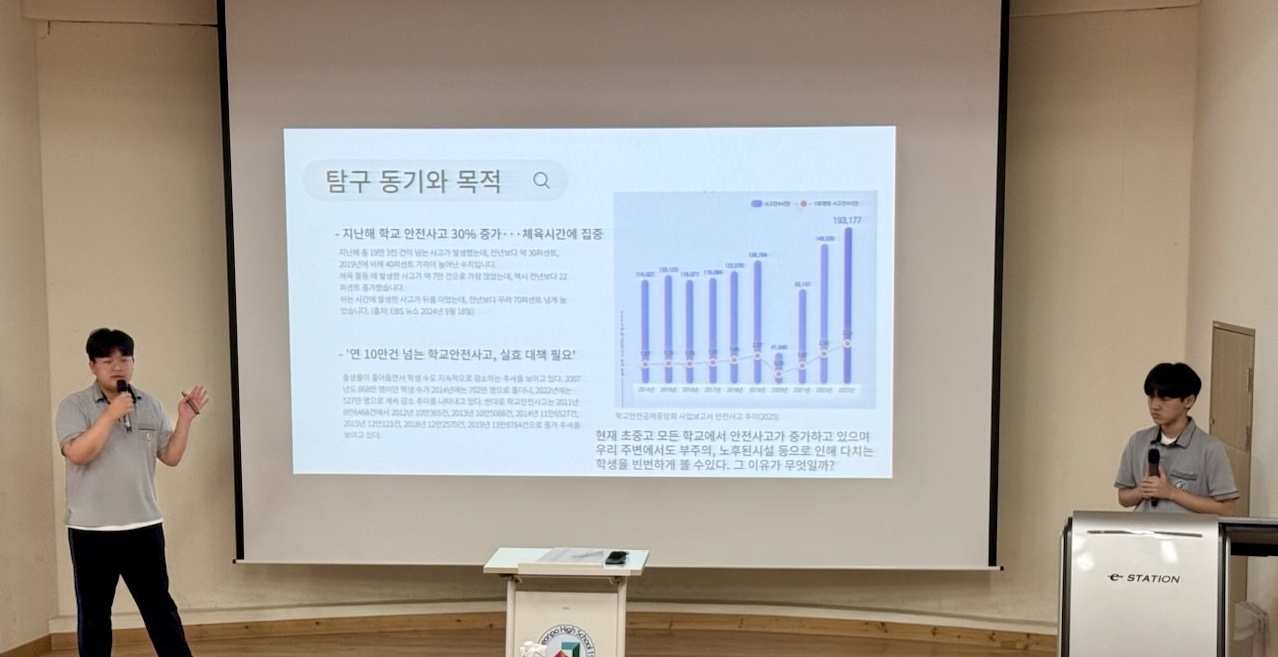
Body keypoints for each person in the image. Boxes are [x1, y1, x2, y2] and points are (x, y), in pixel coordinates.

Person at [56, 328, 209, 657]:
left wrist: (185, 420)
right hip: (91, 529)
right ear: (92, 365)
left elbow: (171, 456)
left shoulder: (150, 405)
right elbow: (78, 453)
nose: (118, 367)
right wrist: (110, 414)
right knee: (95, 615)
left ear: (134, 362)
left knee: (160, 609)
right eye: (107, 360)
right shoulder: (74, 405)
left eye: (125, 359)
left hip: (143, 525)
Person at [1115, 362, 1238, 514]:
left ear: (1188, 401)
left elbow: (1227, 509)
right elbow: (1123, 498)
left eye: (1164, 399)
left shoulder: (1210, 448)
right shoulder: (1137, 441)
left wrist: (1171, 492)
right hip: (1143, 527)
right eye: (1151, 397)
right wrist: (1142, 490)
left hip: (1188, 529)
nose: (1155, 406)